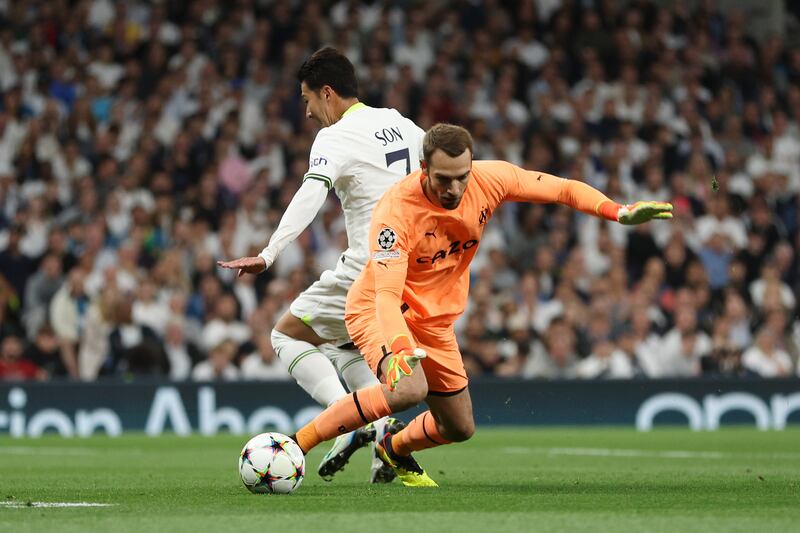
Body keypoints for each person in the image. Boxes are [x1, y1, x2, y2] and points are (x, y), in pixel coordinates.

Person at [288, 123, 672, 487]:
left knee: (459, 428)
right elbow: (386, 296)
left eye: (462, 176)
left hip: (434, 320)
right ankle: (296, 445)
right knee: (408, 389)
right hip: (381, 309)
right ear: (424, 168)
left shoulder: (491, 179)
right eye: (443, 179)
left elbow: (564, 189)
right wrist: (399, 350)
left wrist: (616, 211)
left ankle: (393, 448)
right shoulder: (395, 213)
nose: (454, 188)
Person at [218, 47, 426, 483]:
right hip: (414, 270)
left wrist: (268, 252)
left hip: (370, 266)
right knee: (343, 344)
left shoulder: (335, 137)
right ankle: (381, 434)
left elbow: (311, 193)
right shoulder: (403, 124)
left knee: (285, 333)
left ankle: (348, 421)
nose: (309, 113)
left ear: (328, 93)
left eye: (308, 100)